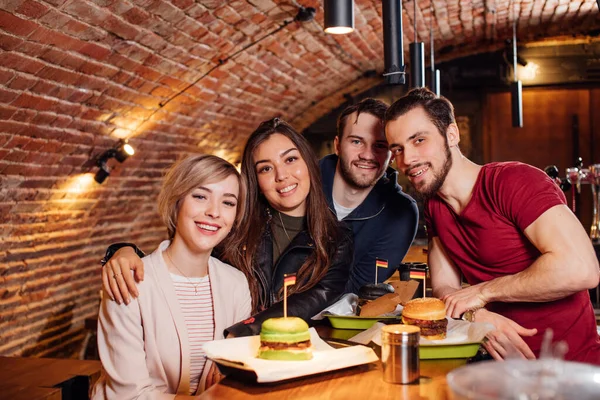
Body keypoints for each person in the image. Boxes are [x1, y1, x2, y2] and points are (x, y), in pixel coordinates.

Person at [385, 87, 600, 363]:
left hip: (571, 368)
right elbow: (444, 287)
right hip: (503, 372)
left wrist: (483, 292)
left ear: (451, 135)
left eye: (419, 140)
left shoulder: (513, 181)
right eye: (397, 149)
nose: (407, 159)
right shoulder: (435, 206)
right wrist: (477, 316)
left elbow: (581, 268)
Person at [100, 118, 353, 338]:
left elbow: (311, 302)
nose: (281, 175)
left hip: (280, 354)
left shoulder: (336, 240)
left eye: (290, 159)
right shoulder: (233, 223)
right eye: (266, 168)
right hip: (213, 356)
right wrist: (124, 251)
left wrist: (242, 332)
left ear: (308, 161)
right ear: (255, 180)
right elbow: (179, 262)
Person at [92, 155, 252, 399]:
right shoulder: (128, 281)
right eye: (200, 196)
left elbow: (235, 373)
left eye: (228, 203)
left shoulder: (236, 283)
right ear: (177, 202)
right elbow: (129, 396)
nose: (214, 212)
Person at [320, 98, 418, 293]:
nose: (367, 155)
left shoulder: (401, 213)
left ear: (391, 154)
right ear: (337, 146)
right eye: (356, 141)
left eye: (380, 145)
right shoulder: (301, 185)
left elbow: (358, 286)